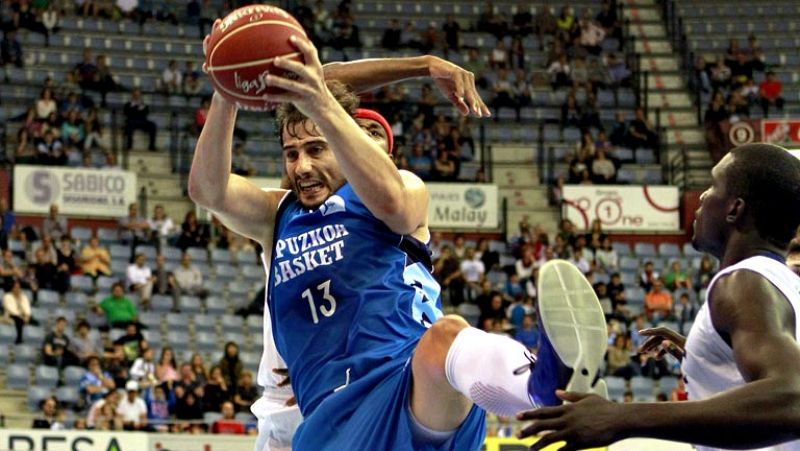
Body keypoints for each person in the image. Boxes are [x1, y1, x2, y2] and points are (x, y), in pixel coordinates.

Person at [190, 31, 605, 451]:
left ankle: (550, 389)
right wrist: (225, 93)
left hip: (406, 383)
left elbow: (389, 196)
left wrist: (323, 101)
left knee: (444, 338)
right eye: (292, 153)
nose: (302, 165)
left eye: (317, 148)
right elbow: (209, 191)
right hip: (328, 416)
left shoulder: (398, 188)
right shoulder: (278, 213)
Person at [517, 143, 800, 451]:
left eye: (714, 185)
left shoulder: (744, 282)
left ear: (735, 209)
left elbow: (793, 397)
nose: (703, 195)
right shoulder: (781, 281)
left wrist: (621, 417)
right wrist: (706, 355)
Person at [2, 279, 35, 344]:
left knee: (35, 322)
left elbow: (27, 307)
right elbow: (10, 309)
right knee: (19, 321)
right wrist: (21, 316)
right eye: (16, 287)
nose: (17, 289)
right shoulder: (7, 296)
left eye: (19, 287)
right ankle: (19, 339)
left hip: (23, 315)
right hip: (11, 315)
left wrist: (27, 315)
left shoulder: (23, 297)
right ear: (12, 288)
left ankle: (31, 342)